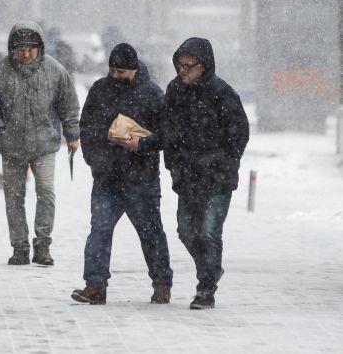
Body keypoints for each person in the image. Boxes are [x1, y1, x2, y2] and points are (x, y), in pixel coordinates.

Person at [71, 43, 173, 305]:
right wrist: (94, 159)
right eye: (112, 70)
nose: (115, 76)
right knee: (99, 230)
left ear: (134, 69)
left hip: (141, 178)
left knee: (151, 233)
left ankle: (162, 284)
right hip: (106, 177)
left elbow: (167, 134)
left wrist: (142, 145)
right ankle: (95, 285)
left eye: (121, 71)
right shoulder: (99, 89)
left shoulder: (152, 94)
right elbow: (87, 126)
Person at [0, 21, 80, 266]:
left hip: (45, 143)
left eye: (31, 49)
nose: (26, 54)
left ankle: (43, 243)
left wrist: (72, 134)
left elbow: (68, 104)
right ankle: (19, 247)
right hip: (10, 144)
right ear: (12, 48)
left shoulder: (55, 71)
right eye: (20, 49)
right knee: (14, 197)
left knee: (45, 191)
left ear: (40, 48)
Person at [162, 37, 249, 309]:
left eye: (190, 65)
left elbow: (239, 134)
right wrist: (175, 164)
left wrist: (222, 163)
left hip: (217, 177)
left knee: (210, 231)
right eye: (180, 64)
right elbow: (169, 130)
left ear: (205, 65)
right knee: (186, 231)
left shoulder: (222, 93)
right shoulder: (174, 90)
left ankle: (206, 289)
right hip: (188, 176)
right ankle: (210, 268)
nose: (183, 70)